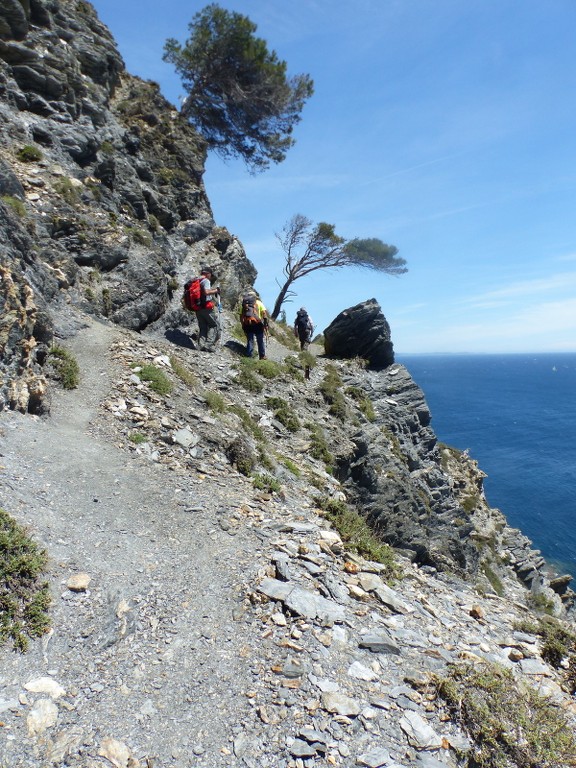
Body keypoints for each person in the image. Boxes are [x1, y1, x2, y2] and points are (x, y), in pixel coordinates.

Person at [195, 267, 221, 352]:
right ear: (208, 274)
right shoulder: (206, 281)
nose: (210, 277)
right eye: (210, 275)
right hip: (206, 307)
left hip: (198, 307)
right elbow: (206, 292)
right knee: (214, 325)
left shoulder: (196, 280)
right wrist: (216, 291)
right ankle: (208, 345)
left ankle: (201, 345)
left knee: (203, 327)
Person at [240, 293, 268, 359]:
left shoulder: (245, 304)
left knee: (250, 339)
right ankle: (262, 356)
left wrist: (243, 325)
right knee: (260, 340)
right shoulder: (259, 303)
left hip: (248, 324)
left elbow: (241, 316)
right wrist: (265, 324)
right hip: (258, 324)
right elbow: (264, 314)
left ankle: (249, 355)